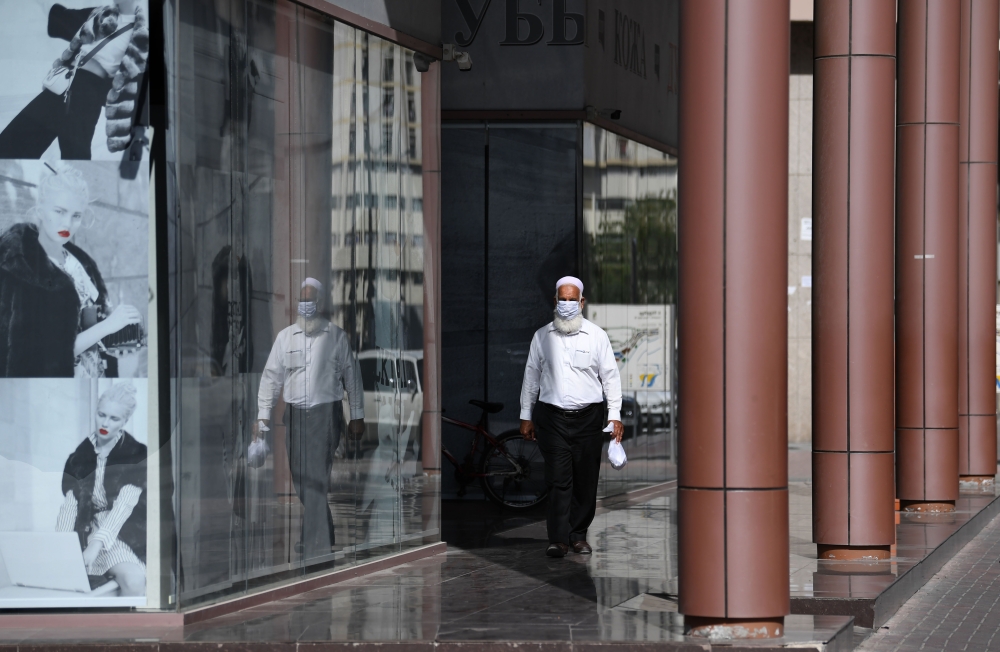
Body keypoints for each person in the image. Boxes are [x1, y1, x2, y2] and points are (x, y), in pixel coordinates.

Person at [255, 278, 365, 558]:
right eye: (301, 300)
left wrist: (357, 415)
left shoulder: (336, 337)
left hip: (325, 415)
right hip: (294, 417)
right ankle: (323, 531)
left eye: (310, 299)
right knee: (302, 479)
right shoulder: (285, 338)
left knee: (317, 476)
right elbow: (270, 379)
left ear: (320, 303)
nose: (305, 305)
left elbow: (353, 378)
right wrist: (262, 417)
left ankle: (313, 541)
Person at [0, 163, 142, 377]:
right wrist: (110, 326)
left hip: (94, 376)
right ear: (40, 210)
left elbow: (93, 323)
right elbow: (44, 358)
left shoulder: (81, 262)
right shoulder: (24, 271)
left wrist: (125, 327)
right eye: (59, 211)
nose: (67, 222)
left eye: (76, 215)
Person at [519, 275, 623, 558]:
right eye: (561, 299)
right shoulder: (542, 336)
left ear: (582, 302)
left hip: (589, 418)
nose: (566, 304)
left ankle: (579, 535)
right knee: (558, 479)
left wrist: (615, 416)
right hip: (552, 419)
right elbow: (531, 376)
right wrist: (526, 415)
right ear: (555, 301)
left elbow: (610, 378)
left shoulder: (597, 336)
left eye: (571, 299)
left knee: (586, 479)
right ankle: (558, 539)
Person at [0, 1, 149, 159]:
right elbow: (62, 17)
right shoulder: (100, 14)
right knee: (11, 143)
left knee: (75, 155)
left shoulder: (141, 36)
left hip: (88, 93)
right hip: (64, 83)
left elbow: (140, 85)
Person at [57, 383, 147, 597]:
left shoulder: (136, 454)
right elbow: (70, 504)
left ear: (125, 421)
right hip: (85, 530)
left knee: (134, 580)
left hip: (123, 532)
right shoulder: (78, 457)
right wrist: (61, 546)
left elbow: (123, 507)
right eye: (101, 415)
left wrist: (97, 544)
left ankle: (133, 630)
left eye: (114, 419)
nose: (105, 423)